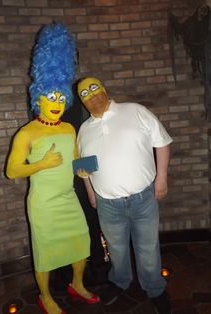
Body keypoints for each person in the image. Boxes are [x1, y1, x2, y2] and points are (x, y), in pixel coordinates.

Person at [6, 25, 99, 314]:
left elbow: (75, 157)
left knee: (82, 240)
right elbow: (11, 171)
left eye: (61, 98)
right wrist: (42, 165)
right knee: (45, 253)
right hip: (43, 205)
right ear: (39, 99)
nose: (57, 103)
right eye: (51, 97)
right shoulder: (27, 133)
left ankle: (77, 285)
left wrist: (86, 170)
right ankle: (45, 296)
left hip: (67, 199)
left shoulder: (70, 127)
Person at [76, 77, 173, 313]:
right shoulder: (85, 129)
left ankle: (155, 289)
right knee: (116, 248)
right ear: (82, 101)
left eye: (94, 88)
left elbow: (162, 142)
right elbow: (84, 167)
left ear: (104, 89)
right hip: (107, 204)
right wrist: (91, 194)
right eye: (85, 93)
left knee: (148, 249)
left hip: (143, 199)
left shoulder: (136, 111)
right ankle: (120, 282)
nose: (92, 95)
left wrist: (161, 177)